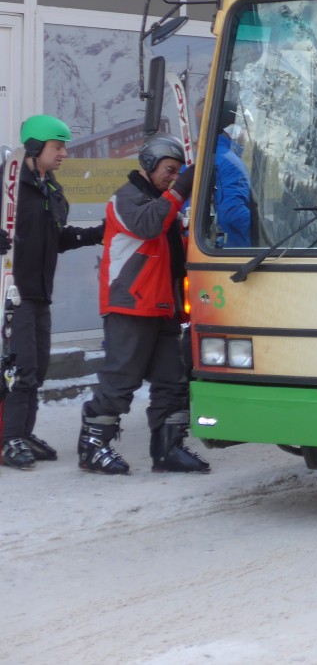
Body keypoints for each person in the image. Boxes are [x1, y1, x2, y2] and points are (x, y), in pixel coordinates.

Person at [78, 133, 210, 475]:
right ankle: (94, 445)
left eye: (178, 171)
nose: (173, 176)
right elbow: (149, 225)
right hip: (130, 305)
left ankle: (167, 449)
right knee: (121, 378)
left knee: (172, 379)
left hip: (163, 305)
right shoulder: (126, 199)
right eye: (168, 169)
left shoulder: (163, 201)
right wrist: (180, 189)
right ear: (149, 166)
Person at [0, 115, 105, 471]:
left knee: (38, 368)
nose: (63, 153)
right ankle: (8, 438)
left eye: (64, 147)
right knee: (22, 369)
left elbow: (56, 239)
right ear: (34, 148)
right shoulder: (10, 188)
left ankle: (22, 433)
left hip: (41, 293)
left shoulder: (52, 190)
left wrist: (96, 233)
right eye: (57, 147)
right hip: (14, 295)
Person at [212, 99, 253, 247]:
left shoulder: (204, 156)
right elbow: (232, 212)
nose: (246, 136)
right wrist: (262, 229)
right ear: (233, 130)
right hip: (232, 251)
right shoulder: (230, 162)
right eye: (245, 129)